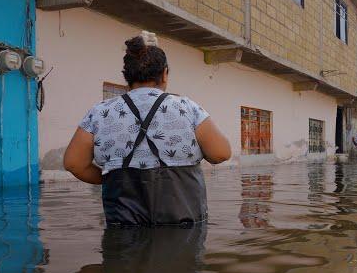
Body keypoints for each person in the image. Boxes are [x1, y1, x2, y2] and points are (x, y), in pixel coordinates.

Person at [63, 33, 231, 226]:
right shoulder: (186, 107)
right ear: (165, 73)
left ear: (127, 75)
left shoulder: (100, 112)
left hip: (124, 227)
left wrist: (108, 177)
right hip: (182, 226)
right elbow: (221, 154)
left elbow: (74, 163)